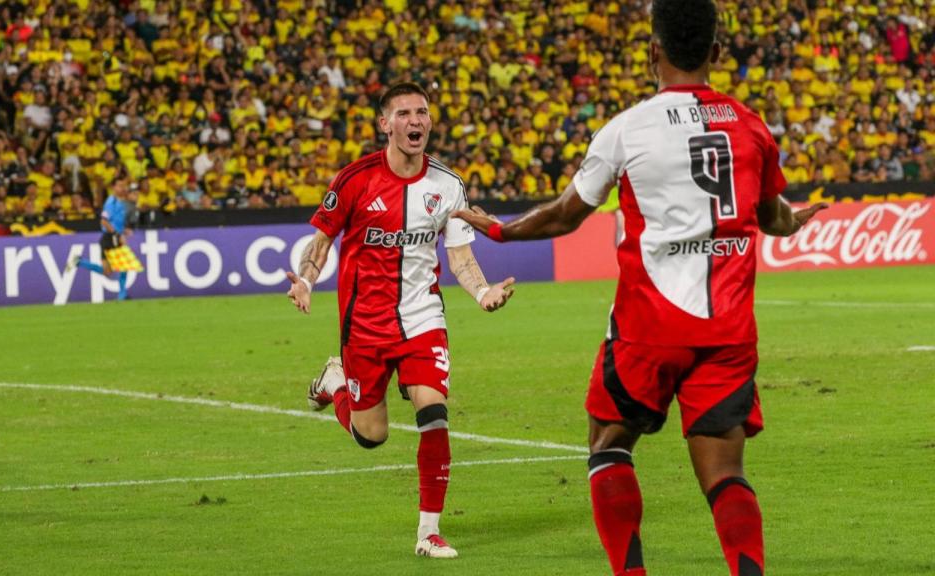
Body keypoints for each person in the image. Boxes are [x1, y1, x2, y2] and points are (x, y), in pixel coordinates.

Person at [453, 1, 827, 574]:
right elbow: (770, 215)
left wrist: (500, 229)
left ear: (653, 52)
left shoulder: (627, 129)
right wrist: (793, 220)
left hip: (648, 328)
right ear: (717, 53)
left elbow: (563, 215)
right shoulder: (751, 127)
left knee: (609, 446)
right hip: (727, 333)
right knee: (726, 475)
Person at [285, 82, 514, 560]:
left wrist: (481, 292)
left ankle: (429, 532)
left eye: (423, 112)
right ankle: (335, 382)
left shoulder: (448, 185)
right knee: (372, 436)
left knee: (433, 413)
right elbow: (322, 242)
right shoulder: (355, 179)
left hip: (421, 316)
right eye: (405, 113)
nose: (416, 121)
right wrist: (306, 281)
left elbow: (460, 257)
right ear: (385, 124)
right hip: (364, 324)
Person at [67, 175, 133, 301]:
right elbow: (104, 222)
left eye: (124, 186)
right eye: (119, 186)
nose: (122, 188)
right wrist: (118, 235)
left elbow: (114, 222)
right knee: (124, 264)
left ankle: (79, 262)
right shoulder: (111, 202)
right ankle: (122, 294)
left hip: (111, 236)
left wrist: (124, 230)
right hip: (110, 237)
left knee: (108, 272)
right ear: (113, 187)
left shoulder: (120, 203)